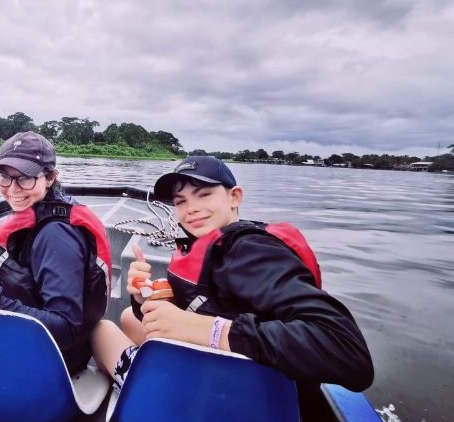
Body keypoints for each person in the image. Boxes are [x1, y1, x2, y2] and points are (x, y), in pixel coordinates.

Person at [92, 155, 373, 398]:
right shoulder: (214, 246)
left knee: (100, 330)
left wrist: (208, 329)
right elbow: (206, 306)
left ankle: (145, 391)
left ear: (234, 196)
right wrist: (146, 298)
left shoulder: (252, 251)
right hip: (226, 375)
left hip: (234, 402)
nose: (191, 208)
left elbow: (348, 353)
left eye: (204, 195)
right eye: (181, 201)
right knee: (131, 315)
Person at [0, 131, 111, 374]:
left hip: (51, 365)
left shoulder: (56, 235)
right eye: (5, 176)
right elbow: (25, 278)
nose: (13, 189)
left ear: (50, 177)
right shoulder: (36, 216)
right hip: (35, 348)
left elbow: (66, 329)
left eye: (25, 178)